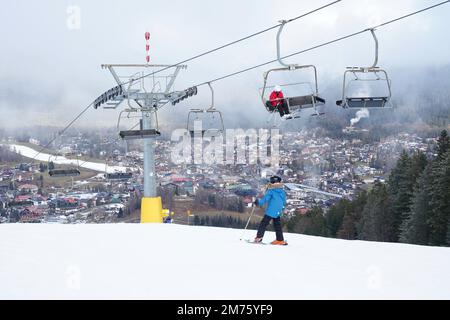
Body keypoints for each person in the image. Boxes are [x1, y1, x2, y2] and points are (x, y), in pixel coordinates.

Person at [253, 175, 288, 245]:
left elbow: (265, 199)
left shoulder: (271, 191)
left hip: (271, 210)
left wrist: (258, 202)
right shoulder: (282, 191)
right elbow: (284, 201)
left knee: (263, 224)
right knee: (277, 224)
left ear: (272, 182)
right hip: (278, 210)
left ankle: (258, 238)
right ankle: (280, 240)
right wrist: (283, 208)